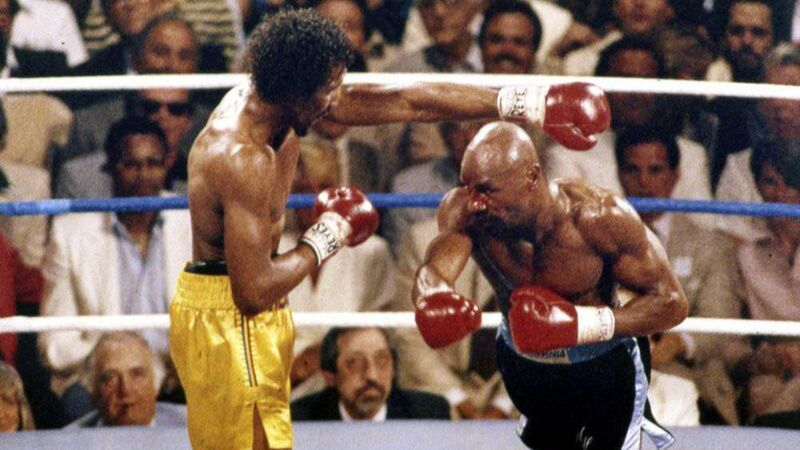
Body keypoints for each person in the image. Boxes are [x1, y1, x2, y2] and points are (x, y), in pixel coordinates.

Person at [168, 8, 610, 450]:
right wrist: (330, 232)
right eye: (327, 89)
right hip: (233, 313)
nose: (334, 99)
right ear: (297, 89)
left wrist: (527, 103)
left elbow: (410, 101)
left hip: (244, 313)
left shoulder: (273, 98)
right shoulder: (242, 157)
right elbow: (253, 291)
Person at [412, 122, 688, 449]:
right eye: (468, 187)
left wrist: (579, 325)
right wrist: (433, 294)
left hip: (600, 368)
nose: (475, 202)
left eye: (486, 189)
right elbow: (435, 267)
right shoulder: (468, 213)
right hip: (525, 366)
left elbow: (671, 302)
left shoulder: (598, 218)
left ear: (531, 176)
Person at [290, 327, 450, 421]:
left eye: (382, 360)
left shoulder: (429, 414)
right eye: (355, 363)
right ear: (330, 377)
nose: (372, 376)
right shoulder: (300, 418)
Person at [65, 332, 187, 428]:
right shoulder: (69, 442)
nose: (125, 390)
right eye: (110, 378)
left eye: (137, 375)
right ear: (92, 390)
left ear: (156, 385)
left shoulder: (190, 429)